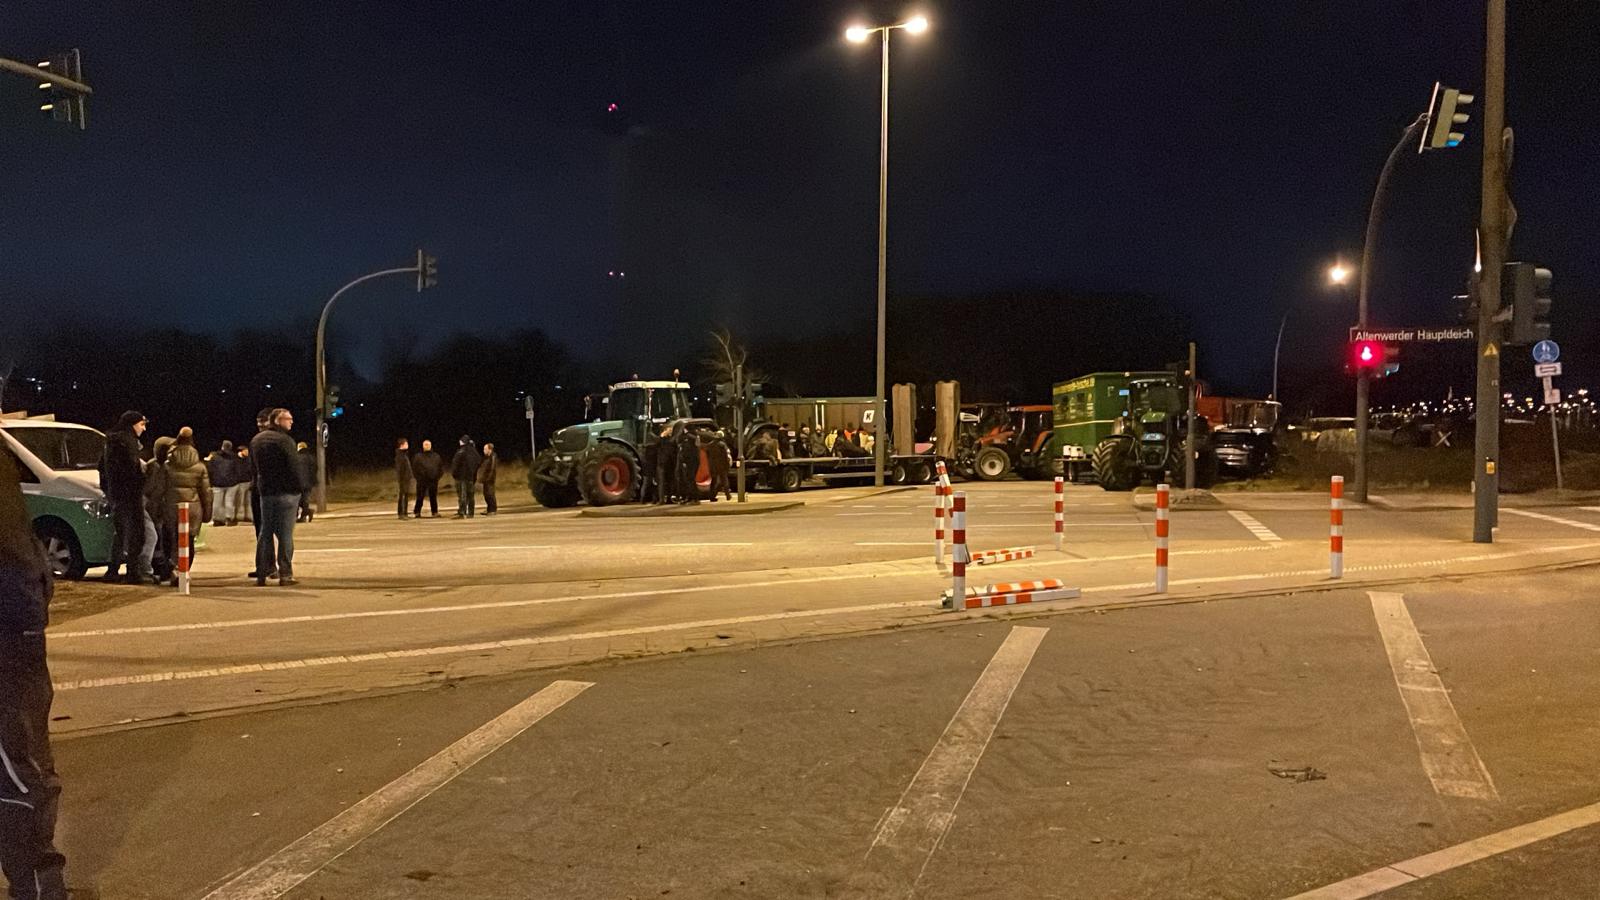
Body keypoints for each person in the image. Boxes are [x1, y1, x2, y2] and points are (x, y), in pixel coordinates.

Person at [0, 450, 69, 899]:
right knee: (21, 759)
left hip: (9, 627)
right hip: (15, 624)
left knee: (17, 762)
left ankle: (38, 885)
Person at [250, 408, 303, 587]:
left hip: (266, 493)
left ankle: (262, 572)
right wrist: (301, 493)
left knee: (265, 532)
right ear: (278, 421)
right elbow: (294, 468)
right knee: (286, 535)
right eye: (289, 419)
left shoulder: (256, 440)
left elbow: (253, 469)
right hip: (287, 492)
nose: (291, 422)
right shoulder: (286, 441)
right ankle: (285, 574)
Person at [97, 410, 148, 584]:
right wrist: (143, 482)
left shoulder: (110, 442)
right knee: (136, 534)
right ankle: (132, 572)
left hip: (117, 494)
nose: (144, 429)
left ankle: (113, 571)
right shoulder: (128, 442)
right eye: (142, 424)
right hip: (130, 495)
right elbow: (133, 470)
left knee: (120, 534)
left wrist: (109, 490)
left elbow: (101, 468)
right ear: (133, 424)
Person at [161, 428, 212, 586]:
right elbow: (206, 493)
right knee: (188, 541)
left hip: (170, 507)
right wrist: (207, 514)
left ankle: (173, 570)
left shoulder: (167, 466)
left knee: (170, 539)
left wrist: (155, 508)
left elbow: (160, 488)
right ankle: (184, 571)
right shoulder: (200, 467)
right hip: (192, 509)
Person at [206, 440, 240, 526]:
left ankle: (217, 520)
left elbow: (210, 469)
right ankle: (229, 519)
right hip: (231, 483)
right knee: (229, 501)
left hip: (217, 482)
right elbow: (238, 470)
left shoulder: (214, 456)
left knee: (217, 502)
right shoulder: (234, 457)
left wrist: (212, 479)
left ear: (222, 446)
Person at [450, 436, 481, 519]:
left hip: (462, 477)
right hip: (471, 477)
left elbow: (455, 464)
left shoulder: (461, 451)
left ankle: (462, 512)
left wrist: (455, 474)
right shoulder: (474, 452)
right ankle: (471, 513)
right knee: (471, 495)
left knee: (462, 495)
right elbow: (478, 462)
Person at [411, 439, 443, 518]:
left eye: (428, 444)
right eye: (425, 444)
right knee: (420, 497)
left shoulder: (436, 456)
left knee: (433, 497)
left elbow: (440, 468)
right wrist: (418, 478)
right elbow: (414, 468)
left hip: (433, 480)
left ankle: (434, 512)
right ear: (423, 446)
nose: (427, 446)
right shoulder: (418, 456)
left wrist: (437, 477)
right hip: (422, 481)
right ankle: (417, 511)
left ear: (431, 446)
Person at [675, 426, 701, 505]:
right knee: (688, 479)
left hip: (689, 461)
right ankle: (690, 497)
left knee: (690, 479)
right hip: (692, 460)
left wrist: (684, 460)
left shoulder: (687, 438)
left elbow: (686, 451)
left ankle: (694, 498)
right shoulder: (693, 437)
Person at [705, 429, 732, 501]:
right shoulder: (722, 445)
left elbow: (707, 455)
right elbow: (726, 456)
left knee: (713, 481)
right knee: (724, 480)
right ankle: (728, 495)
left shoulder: (710, 445)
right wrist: (727, 465)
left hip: (712, 465)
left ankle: (712, 496)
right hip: (721, 465)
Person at [654, 425, 677, 505]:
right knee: (661, 482)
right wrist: (662, 436)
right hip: (662, 463)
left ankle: (669, 498)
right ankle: (661, 499)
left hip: (670, 464)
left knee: (670, 482)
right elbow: (656, 444)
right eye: (669, 429)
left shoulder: (672, 439)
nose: (670, 431)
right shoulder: (661, 439)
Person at [295, 442, 316, 523]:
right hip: (308, 483)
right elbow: (314, 470)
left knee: (297, 500)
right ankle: (305, 514)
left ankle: (304, 514)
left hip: (298, 482)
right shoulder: (311, 457)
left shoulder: (296, 457)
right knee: (305, 500)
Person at [477, 442, 499, 516]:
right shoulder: (486, 457)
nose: (484, 450)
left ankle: (493, 509)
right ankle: (489, 509)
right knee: (486, 494)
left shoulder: (493, 457)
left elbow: (492, 469)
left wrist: (489, 478)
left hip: (490, 479)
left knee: (490, 494)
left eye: (485, 449)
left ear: (490, 449)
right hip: (485, 479)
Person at [394, 438, 413, 519]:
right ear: (402, 445)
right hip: (403, 480)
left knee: (406, 496)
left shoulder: (404, 455)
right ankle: (401, 513)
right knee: (402, 496)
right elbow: (400, 469)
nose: (407, 445)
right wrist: (401, 479)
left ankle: (405, 513)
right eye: (406, 444)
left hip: (406, 479)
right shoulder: (400, 456)